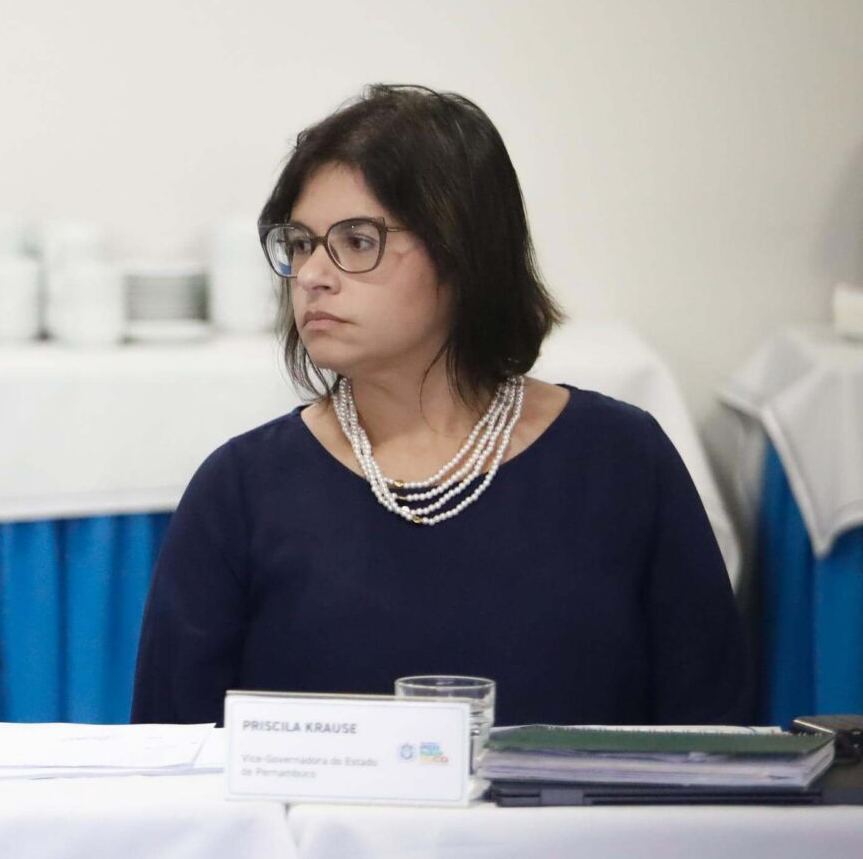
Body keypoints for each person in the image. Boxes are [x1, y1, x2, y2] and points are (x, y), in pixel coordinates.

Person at [131, 83, 749, 727]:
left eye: (358, 241)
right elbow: (173, 759)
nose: (314, 273)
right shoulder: (241, 490)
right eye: (301, 244)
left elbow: (715, 736)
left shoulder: (621, 460)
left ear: (463, 251)